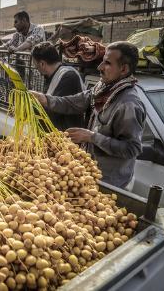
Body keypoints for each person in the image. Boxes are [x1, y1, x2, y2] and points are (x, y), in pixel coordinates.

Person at [31, 41, 146, 190]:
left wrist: (91, 137)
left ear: (123, 69)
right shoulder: (102, 89)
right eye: (102, 61)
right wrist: (44, 99)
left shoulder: (129, 104)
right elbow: (74, 102)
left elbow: (131, 149)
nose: (100, 67)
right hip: (89, 174)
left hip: (110, 183)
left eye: (107, 63)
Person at [31, 41, 85, 131]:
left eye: (36, 67)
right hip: (56, 134)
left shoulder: (68, 76)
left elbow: (55, 108)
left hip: (67, 137)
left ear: (42, 64)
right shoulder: (51, 75)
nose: (37, 70)